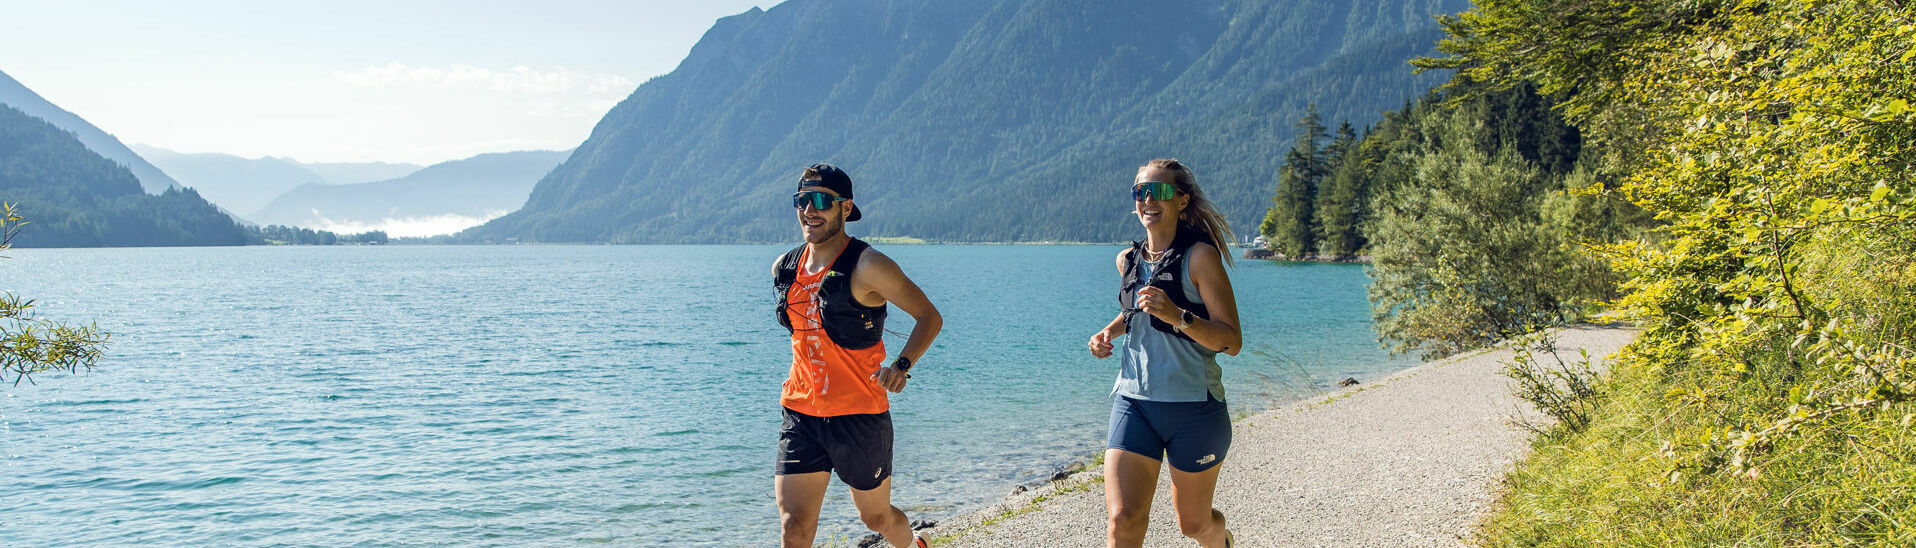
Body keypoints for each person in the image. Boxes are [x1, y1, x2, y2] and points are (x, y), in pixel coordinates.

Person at [773, 163, 942, 548]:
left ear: (846, 208)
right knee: (794, 526)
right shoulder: (785, 268)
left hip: (859, 415)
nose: (809, 210)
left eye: (821, 201)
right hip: (801, 413)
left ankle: (914, 545)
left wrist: (901, 366)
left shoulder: (869, 265)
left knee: (876, 517)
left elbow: (929, 317)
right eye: (802, 200)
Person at [1087, 158, 1242, 548]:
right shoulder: (1127, 260)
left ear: (1182, 200)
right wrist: (1107, 332)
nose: (1149, 200)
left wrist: (1179, 317)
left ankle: (1220, 539)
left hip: (1194, 408)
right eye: (1141, 192)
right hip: (1134, 403)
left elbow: (1231, 341)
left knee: (1193, 524)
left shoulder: (1200, 258)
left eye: (1160, 191)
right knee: (1123, 520)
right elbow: (1136, 313)